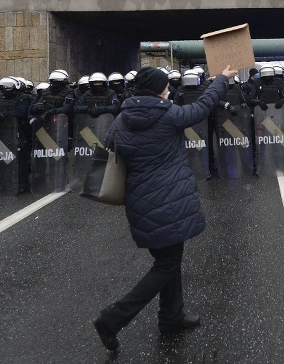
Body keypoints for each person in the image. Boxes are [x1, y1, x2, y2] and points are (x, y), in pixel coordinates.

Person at [93, 65, 237, 353]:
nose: (169, 90)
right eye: (166, 87)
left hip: (141, 203)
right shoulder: (168, 115)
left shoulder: (122, 119)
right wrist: (221, 79)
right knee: (166, 265)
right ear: (159, 90)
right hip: (169, 201)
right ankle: (112, 318)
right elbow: (204, 105)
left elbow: (109, 144)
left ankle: (171, 316)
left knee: (169, 259)